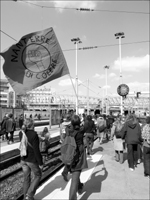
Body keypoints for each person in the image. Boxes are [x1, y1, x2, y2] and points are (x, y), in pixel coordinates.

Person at [19, 118, 43, 200]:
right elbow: (36, 151)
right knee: (38, 175)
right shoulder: (34, 135)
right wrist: (41, 163)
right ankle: (29, 195)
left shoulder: (21, 133)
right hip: (31, 160)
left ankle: (25, 197)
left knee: (26, 178)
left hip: (23, 159)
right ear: (32, 125)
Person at [66, 115, 88, 200]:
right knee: (75, 178)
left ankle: (80, 186)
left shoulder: (68, 130)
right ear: (79, 122)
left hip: (69, 155)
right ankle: (72, 198)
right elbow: (84, 126)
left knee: (76, 173)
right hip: (78, 156)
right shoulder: (81, 130)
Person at [60, 114, 72, 182]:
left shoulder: (62, 125)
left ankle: (69, 169)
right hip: (69, 143)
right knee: (70, 158)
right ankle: (65, 171)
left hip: (63, 142)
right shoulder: (69, 126)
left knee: (68, 157)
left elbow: (61, 135)